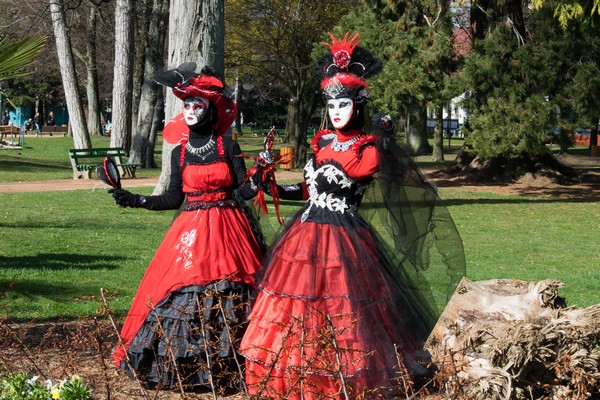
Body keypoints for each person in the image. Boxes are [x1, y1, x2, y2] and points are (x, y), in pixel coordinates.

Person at [239, 32, 466, 398]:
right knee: (294, 308)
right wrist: (272, 187)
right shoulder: (321, 143)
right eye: (331, 106)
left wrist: (387, 140)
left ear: (357, 105)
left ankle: (340, 382)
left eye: (343, 105)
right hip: (304, 237)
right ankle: (293, 380)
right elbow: (308, 191)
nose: (336, 112)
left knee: (346, 311)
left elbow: (389, 178)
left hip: (344, 241)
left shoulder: (369, 149)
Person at [108, 63, 265, 392]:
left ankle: (234, 365)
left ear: (211, 110)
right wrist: (134, 199)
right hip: (191, 232)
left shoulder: (227, 147)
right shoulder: (180, 152)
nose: (191, 111)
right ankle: (187, 367)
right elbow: (171, 199)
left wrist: (259, 176)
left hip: (229, 230)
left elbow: (243, 192)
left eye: (198, 105)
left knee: (233, 290)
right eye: (187, 105)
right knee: (181, 291)